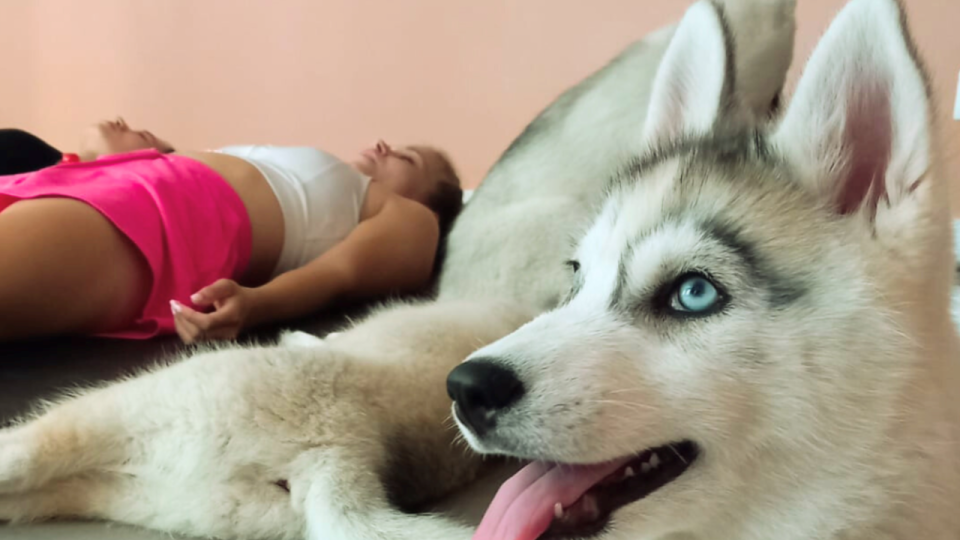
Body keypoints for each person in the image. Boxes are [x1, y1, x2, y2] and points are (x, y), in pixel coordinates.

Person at [0, 118, 463, 343]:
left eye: (407, 158)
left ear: (429, 202)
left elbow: (341, 273)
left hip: (167, 216)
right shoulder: (334, 178)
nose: (384, 145)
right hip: (98, 180)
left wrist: (260, 303)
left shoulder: (412, 218)